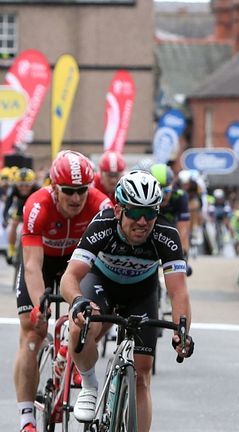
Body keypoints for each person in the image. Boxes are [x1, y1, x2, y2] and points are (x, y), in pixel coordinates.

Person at [62, 170, 193, 432]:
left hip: (141, 292)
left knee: (142, 373)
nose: (143, 221)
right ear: (118, 209)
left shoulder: (166, 234)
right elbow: (71, 276)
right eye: (134, 212)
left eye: (150, 213)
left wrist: (182, 332)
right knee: (81, 327)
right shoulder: (103, 225)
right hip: (102, 284)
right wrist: (77, 300)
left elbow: (178, 291)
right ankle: (89, 384)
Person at [13, 150, 110, 432]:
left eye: (82, 190)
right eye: (68, 191)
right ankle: (27, 419)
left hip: (78, 263)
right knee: (33, 332)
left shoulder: (101, 206)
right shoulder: (37, 205)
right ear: (54, 188)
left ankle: (73, 355)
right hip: (43, 262)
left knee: (96, 315)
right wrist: (39, 308)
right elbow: (32, 265)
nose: (76, 198)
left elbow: (105, 265)